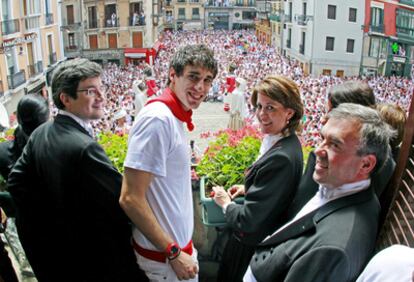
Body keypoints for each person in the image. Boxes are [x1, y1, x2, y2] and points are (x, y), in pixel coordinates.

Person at [7, 58, 148, 282]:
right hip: (92, 264)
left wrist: (50, 227)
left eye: (101, 88)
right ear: (65, 98)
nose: (101, 96)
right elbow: (125, 200)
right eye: (91, 91)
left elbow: (16, 184)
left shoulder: (40, 133)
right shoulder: (85, 148)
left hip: (54, 261)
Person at [243, 103, 395, 282]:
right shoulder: (343, 188)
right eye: (322, 138)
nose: (318, 150)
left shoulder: (332, 251)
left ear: (366, 164)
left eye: (335, 145)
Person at [120, 44, 218, 281]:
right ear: (172, 75)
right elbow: (130, 198)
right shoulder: (158, 120)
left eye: (207, 80)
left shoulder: (173, 116)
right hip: (165, 261)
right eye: (193, 77)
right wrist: (173, 252)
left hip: (175, 255)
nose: (200, 87)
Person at [213, 75, 304, 282]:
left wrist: (225, 204)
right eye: (259, 106)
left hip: (250, 248)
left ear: (289, 112)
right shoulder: (285, 142)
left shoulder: (281, 156)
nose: (262, 114)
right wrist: (249, 188)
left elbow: (248, 220)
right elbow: (276, 192)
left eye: (270, 108)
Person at [288, 81, 394, 217]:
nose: (323, 119)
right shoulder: (385, 154)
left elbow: (298, 208)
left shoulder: (323, 157)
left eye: (331, 112)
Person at [0, 94, 49, 282]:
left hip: (26, 226)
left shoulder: (4, 152)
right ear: (46, 118)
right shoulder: (56, 145)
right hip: (47, 225)